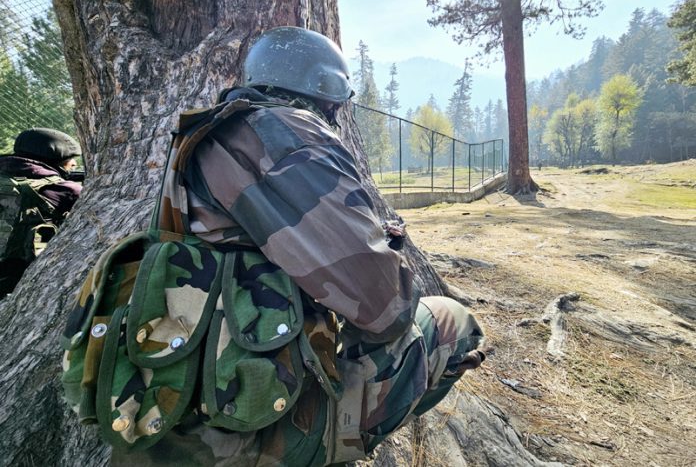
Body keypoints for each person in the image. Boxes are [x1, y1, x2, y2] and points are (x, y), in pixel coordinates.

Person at [112, 26, 485, 466]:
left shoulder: (203, 137)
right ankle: (330, 446)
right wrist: (386, 255)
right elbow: (387, 310)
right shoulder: (288, 135)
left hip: (163, 422)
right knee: (451, 324)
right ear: (328, 93)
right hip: (250, 439)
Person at [0, 128, 82, 297]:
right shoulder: (64, 190)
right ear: (55, 157)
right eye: (70, 159)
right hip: (18, 284)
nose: (74, 164)